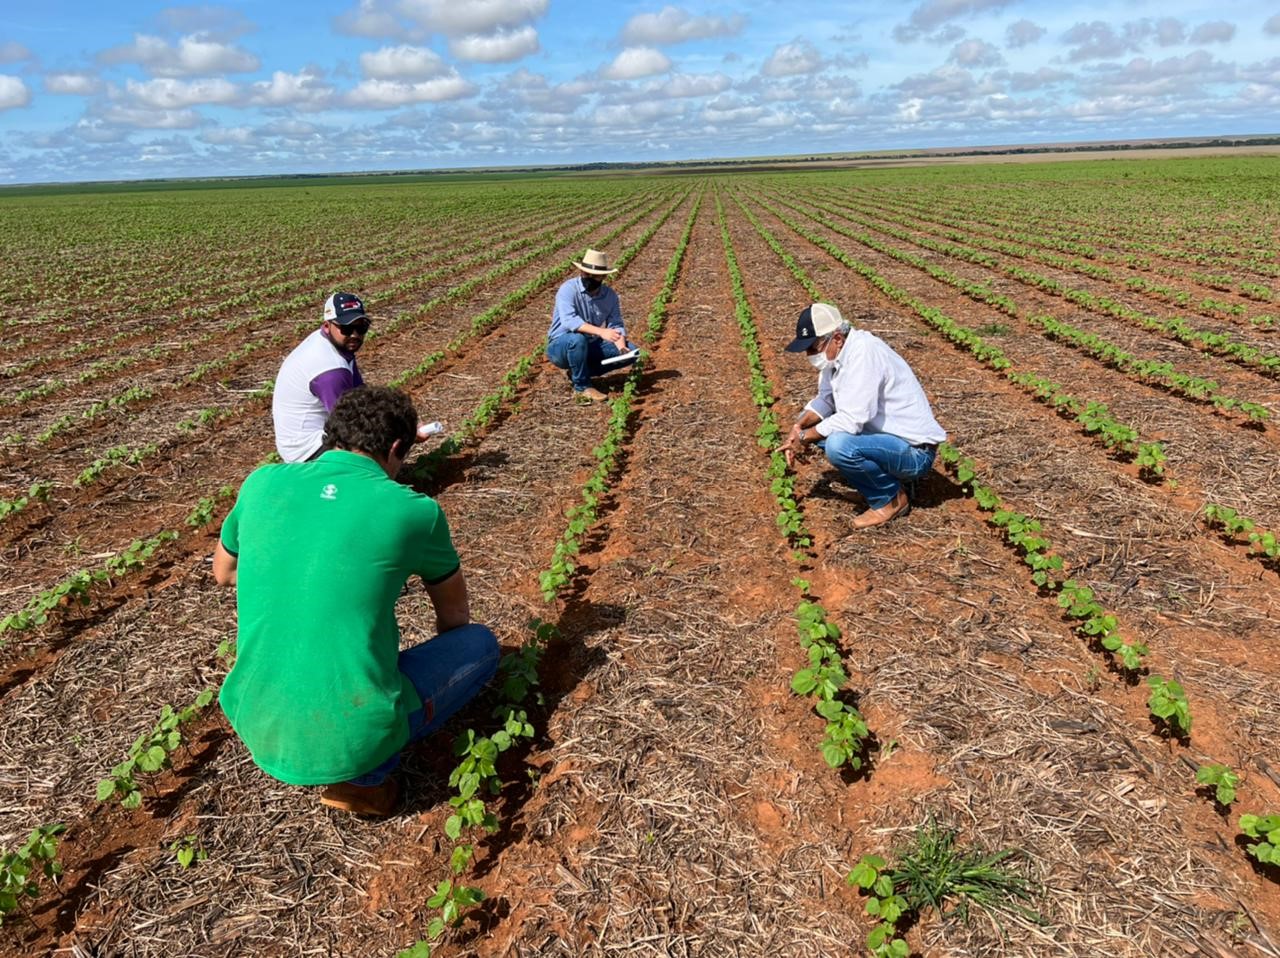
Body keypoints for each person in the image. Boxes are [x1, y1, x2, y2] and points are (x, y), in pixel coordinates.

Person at [214, 386, 500, 817]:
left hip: (252, 716)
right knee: (480, 645)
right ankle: (364, 779)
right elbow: (455, 615)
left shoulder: (261, 482)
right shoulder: (413, 511)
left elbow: (224, 572)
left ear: (332, 435)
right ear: (398, 449)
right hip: (352, 732)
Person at [779, 303, 946, 530]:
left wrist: (804, 437)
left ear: (837, 338)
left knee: (838, 444)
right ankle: (879, 485)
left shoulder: (864, 353)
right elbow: (826, 400)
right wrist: (798, 428)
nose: (810, 355)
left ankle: (891, 499)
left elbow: (852, 418)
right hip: (887, 440)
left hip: (914, 451)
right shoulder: (836, 357)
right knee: (824, 434)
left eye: (812, 347)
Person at [546, 248, 639, 402]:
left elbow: (616, 324)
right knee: (576, 340)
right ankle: (581, 386)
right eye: (585, 273)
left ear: (602, 276)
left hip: (590, 344)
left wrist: (622, 348)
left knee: (633, 352)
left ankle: (581, 372)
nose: (587, 277)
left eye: (592, 275)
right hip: (560, 346)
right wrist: (601, 332)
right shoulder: (568, 289)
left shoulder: (610, 296)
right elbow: (569, 321)